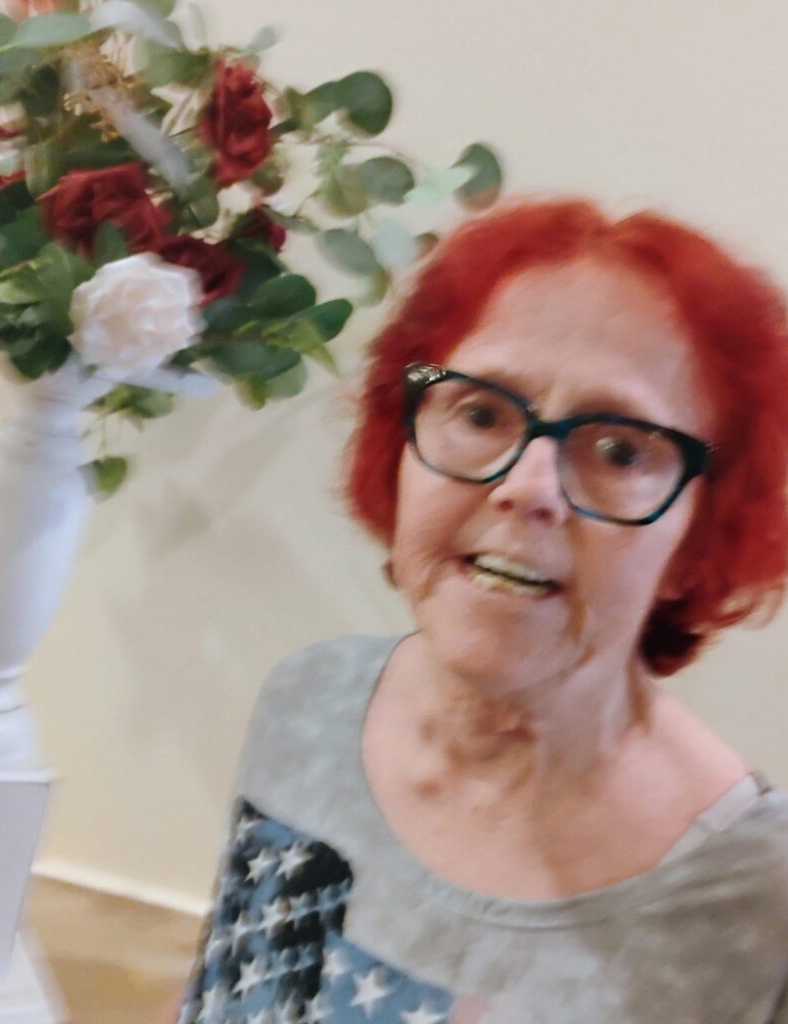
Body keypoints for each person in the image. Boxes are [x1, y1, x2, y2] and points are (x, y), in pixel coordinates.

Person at [158, 199, 788, 1024]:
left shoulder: (756, 899)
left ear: (702, 532)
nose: (527, 488)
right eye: (481, 412)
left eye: (619, 449)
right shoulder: (308, 701)